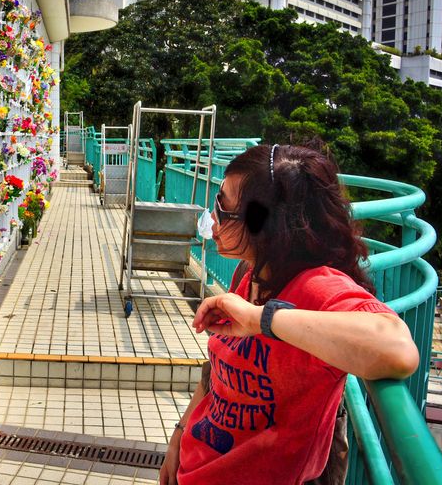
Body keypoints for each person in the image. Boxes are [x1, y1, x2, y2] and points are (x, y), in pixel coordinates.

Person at [160, 144, 420, 485]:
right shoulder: (250, 273)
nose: (212, 219)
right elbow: (217, 378)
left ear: (262, 224)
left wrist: (261, 319)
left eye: (222, 207)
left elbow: (397, 348)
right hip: (193, 468)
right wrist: (180, 435)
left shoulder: (314, 287)